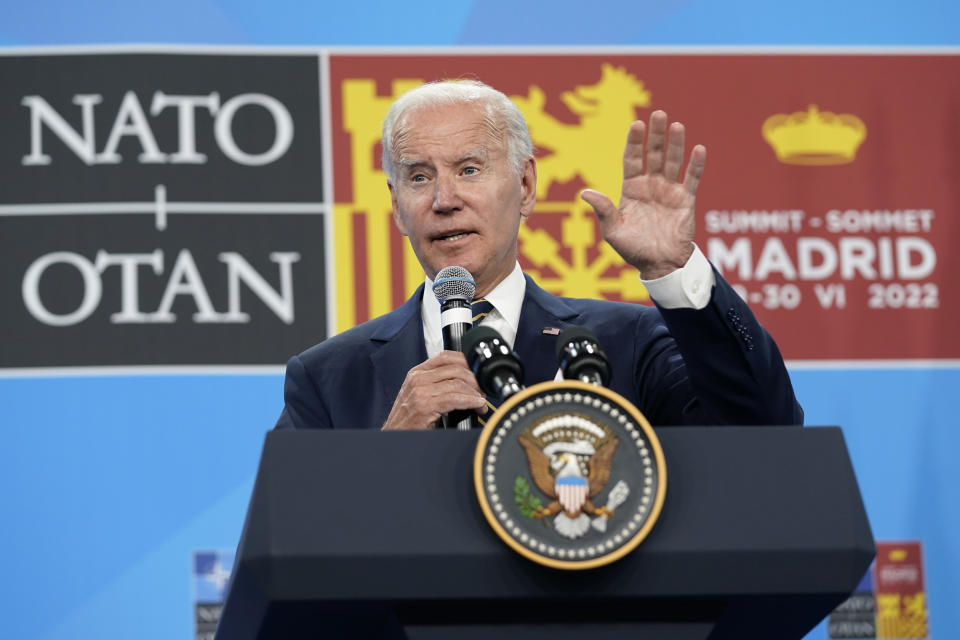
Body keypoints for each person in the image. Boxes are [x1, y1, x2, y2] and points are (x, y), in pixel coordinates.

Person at [274, 80, 802, 431]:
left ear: (526, 186)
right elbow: (295, 549)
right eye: (418, 177)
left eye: (470, 169)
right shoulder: (326, 378)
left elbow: (765, 427)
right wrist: (382, 462)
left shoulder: (626, 345)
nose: (444, 200)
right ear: (396, 206)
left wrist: (672, 270)